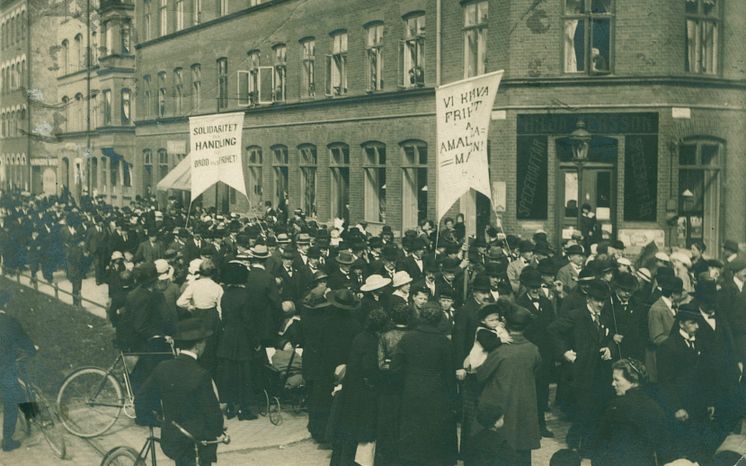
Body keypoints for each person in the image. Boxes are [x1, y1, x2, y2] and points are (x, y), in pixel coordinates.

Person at [138, 318, 224, 466]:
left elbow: (141, 399)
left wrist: (154, 421)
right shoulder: (201, 374)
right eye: (204, 342)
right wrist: (219, 430)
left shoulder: (163, 367)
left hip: (171, 439)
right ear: (198, 345)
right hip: (194, 441)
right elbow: (212, 412)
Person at [548, 279, 615, 456]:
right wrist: (564, 352)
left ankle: (582, 441)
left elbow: (611, 338)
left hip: (600, 372)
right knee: (584, 409)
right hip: (581, 371)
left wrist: (610, 349)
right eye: (597, 300)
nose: (600, 304)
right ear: (588, 299)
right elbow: (553, 330)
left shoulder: (606, 317)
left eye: (603, 300)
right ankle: (581, 445)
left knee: (596, 408)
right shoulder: (576, 315)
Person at [392, 302, 457, 466]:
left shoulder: (408, 338)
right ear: (439, 319)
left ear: (421, 317)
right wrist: (452, 397)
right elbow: (450, 374)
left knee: (412, 427)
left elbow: (396, 367)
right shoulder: (444, 342)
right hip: (437, 390)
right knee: (433, 428)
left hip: (412, 386)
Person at [476, 303, 542, 466]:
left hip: (501, 407)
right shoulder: (533, 349)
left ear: (505, 323)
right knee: (522, 450)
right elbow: (536, 369)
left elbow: (481, 375)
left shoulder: (500, 350)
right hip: (524, 405)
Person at [329, 309, 388, 466]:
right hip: (364, 389)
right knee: (362, 431)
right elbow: (369, 367)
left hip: (351, 387)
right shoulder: (374, 341)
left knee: (348, 428)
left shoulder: (360, 337)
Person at [594, 358, 671, 466]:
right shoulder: (655, 407)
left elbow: (600, 444)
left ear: (634, 381)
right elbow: (664, 449)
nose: (612, 384)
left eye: (617, 380)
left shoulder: (616, 407)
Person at [215, 262, 258, 421]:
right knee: (244, 375)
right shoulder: (246, 295)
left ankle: (231, 407)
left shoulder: (226, 295)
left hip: (228, 337)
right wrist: (255, 341)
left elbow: (224, 317)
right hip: (242, 339)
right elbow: (249, 322)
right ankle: (244, 409)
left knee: (229, 374)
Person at [0, 291, 37, 452]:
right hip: (4, 367)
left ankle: (32, 417)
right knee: (11, 401)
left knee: (17, 391)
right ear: (5, 304)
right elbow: (24, 340)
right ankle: (7, 441)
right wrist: (33, 350)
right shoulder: (9, 322)